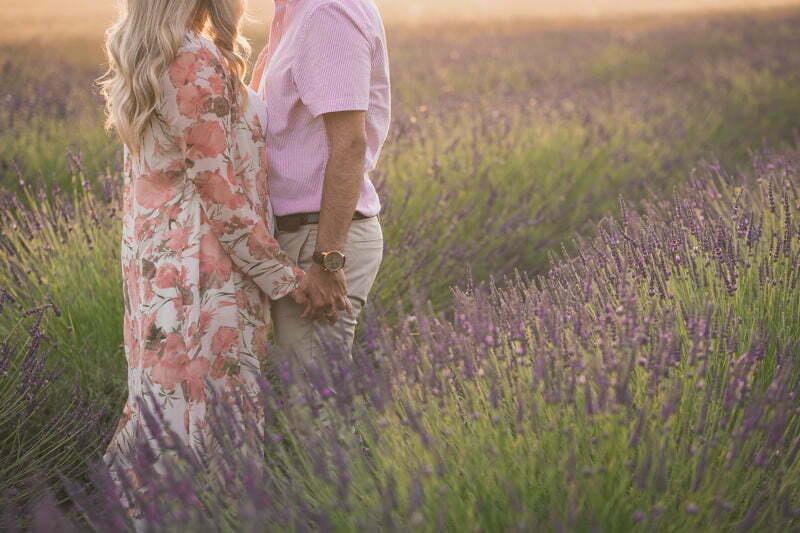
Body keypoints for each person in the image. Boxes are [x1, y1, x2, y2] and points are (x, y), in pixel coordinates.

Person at [99, 0, 305, 519]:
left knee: (165, 403)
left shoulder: (148, 52)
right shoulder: (192, 55)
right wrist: (287, 278)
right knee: (208, 413)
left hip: (156, 258)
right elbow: (219, 193)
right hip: (201, 267)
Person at [250, 0, 391, 373]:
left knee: (315, 396)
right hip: (300, 236)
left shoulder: (328, 12)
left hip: (318, 239)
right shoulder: (293, 13)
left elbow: (349, 145)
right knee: (307, 389)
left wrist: (327, 260)